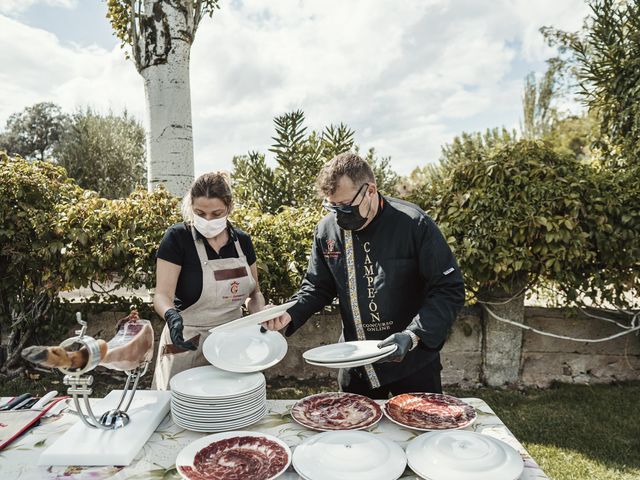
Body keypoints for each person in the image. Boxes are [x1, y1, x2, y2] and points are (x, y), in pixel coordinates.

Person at [262, 153, 465, 399]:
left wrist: (413, 334)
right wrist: (289, 313)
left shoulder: (413, 224)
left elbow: (448, 289)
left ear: (370, 190)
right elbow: (317, 287)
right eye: (332, 207)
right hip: (355, 363)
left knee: (416, 433)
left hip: (413, 362)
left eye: (346, 206)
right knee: (355, 434)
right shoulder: (327, 231)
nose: (339, 215)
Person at [152, 172, 265, 390]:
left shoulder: (242, 242)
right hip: (186, 342)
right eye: (200, 213)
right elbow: (162, 295)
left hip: (231, 344)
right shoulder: (177, 238)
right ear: (191, 206)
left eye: (216, 213)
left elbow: (254, 294)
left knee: (230, 408)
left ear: (229, 208)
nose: (208, 221)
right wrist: (171, 315)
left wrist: (262, 315)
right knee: (180, 411)